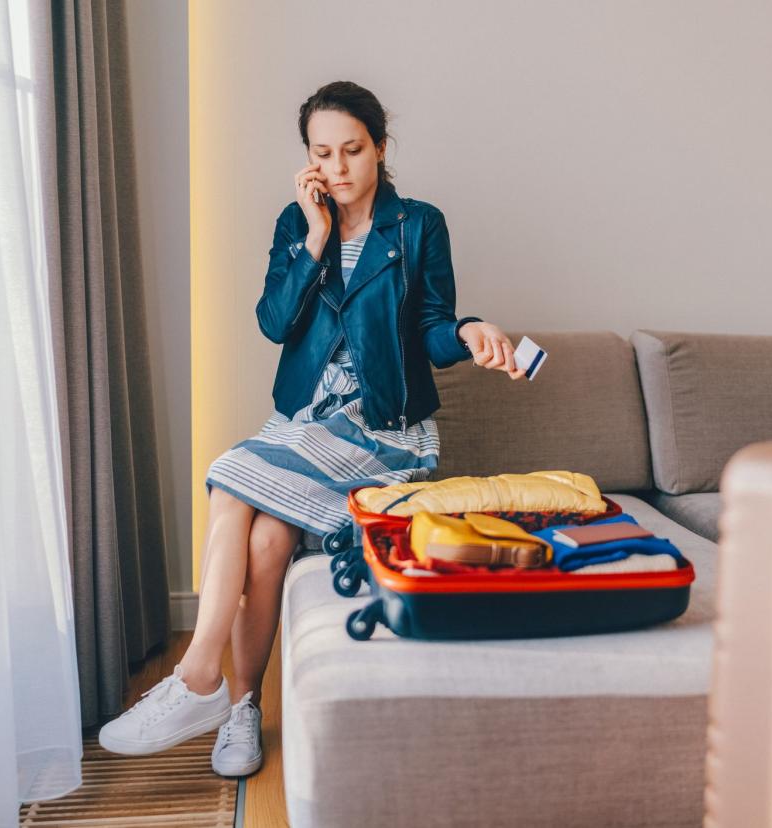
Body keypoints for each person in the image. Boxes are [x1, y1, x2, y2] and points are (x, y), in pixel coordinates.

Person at [97, 81, 524, 776]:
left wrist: (471, 330)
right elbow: (274, 324)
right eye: (322, 153)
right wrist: (316, 236)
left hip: (380, 427)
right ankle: (235, 712)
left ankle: (199, 677)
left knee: (232, 481)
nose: (338, 166)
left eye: (352, 150)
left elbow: (429, 330)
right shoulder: (295, 224)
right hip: (303, 421)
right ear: (308, 159)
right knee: (264, 542)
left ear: (380, 149)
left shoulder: (418, 226)